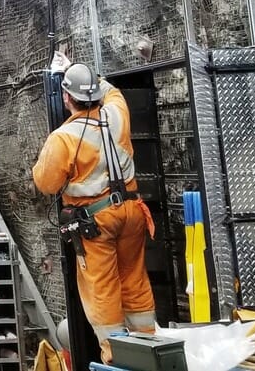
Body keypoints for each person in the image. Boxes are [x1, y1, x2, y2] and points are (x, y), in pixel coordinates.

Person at [32, 53, 156, 362]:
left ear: (66, 98)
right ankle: (148, 343)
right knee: (134, 278)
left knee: (102, 287)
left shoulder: (64, 138)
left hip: (96, 221)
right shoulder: (116, 113)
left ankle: (116, 357)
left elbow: (46, 183)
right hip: (132, 212)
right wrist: (80, 71)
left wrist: (66, 72)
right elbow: (111, 91)